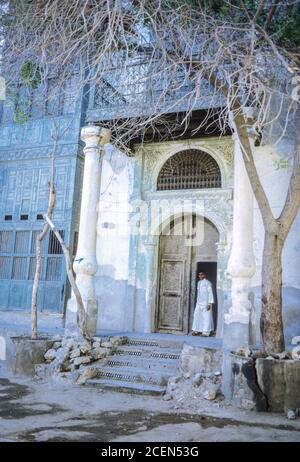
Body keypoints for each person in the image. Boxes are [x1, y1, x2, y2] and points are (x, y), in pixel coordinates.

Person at [191, 271, 214, 336]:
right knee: (197, 315)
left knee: (206, 317)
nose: (200, 276)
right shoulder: (199, 283)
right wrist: (197, 301)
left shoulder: (208, 283)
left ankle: (206, 332)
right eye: (199, 275)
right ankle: (196, 330)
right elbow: (199, 293)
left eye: (201, 275)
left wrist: (210, 303)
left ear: (204, 275)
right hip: (199, 302)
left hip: (206, 303)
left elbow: (210, 293)